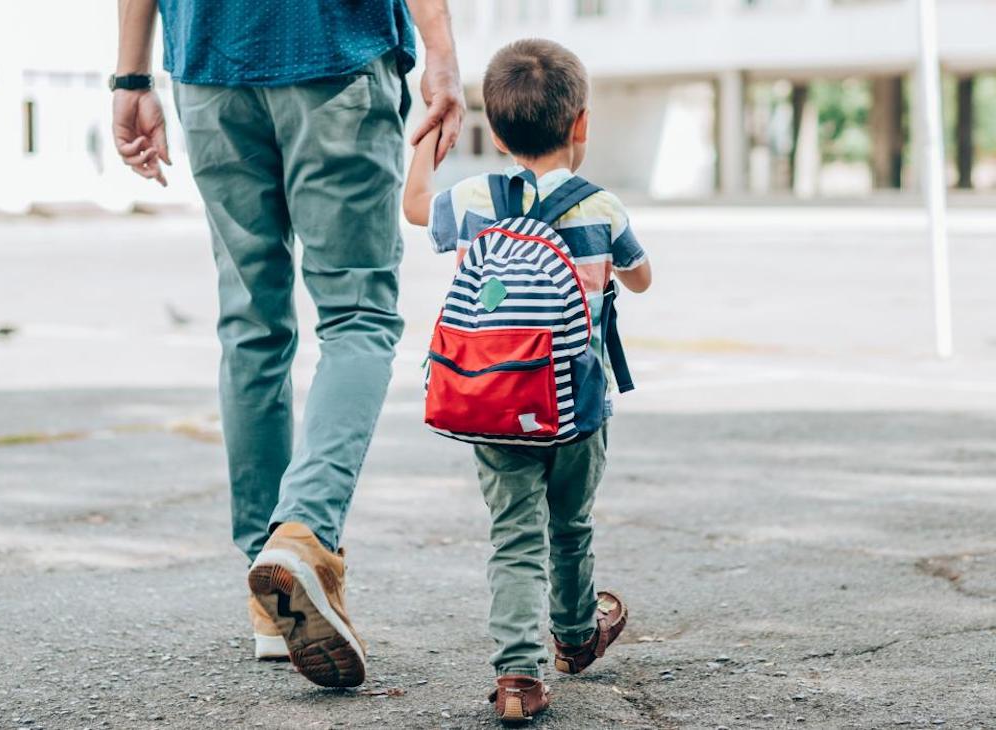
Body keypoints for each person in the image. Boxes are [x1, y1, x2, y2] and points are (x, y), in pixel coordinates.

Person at [112, 0, 463, 688]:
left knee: (251, 326)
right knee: (357, 314)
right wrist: (442, 52)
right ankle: (301, 534)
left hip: (210, 67)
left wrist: (130, 79)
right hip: (330, 52)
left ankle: (269, 599)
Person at [403, 38, 653, 723]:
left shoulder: (476, 198)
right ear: (581, 126)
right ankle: (574, 637)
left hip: (494, 398)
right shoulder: (601, 208)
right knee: (569, 525)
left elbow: (415, 204)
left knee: (514, 534)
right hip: (578, 409)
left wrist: (432, 125)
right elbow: (641, 275)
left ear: (498, 128)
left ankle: (519, 676)